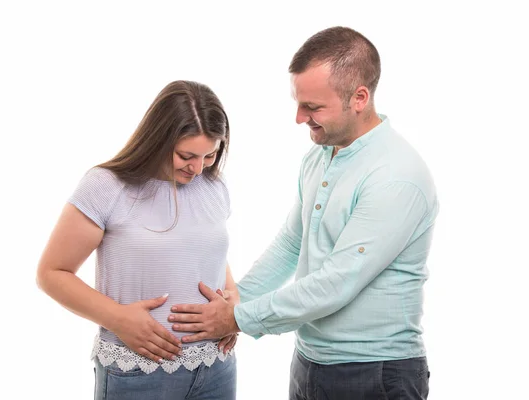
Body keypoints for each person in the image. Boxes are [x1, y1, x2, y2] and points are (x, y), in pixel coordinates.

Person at [169, 27, 439, 399]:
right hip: (311, 363)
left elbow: (336, 283)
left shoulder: (396, 176)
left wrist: (236, 318)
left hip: (376, 373)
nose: (299, 118)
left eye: (312, 107)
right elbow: (291, 244)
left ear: (359, 98)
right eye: (298, 103)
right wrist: (234, 300)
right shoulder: (319, 156)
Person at [36, 80, 238, 400]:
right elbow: (52, 273)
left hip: (216, 367)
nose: (198, 168)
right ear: (158, 140)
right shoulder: (106, 186)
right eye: (187, 155)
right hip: (140, 372)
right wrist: (117, 319)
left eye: (210, 155)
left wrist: (233, 304)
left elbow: (208, 253)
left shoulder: (215, 186)